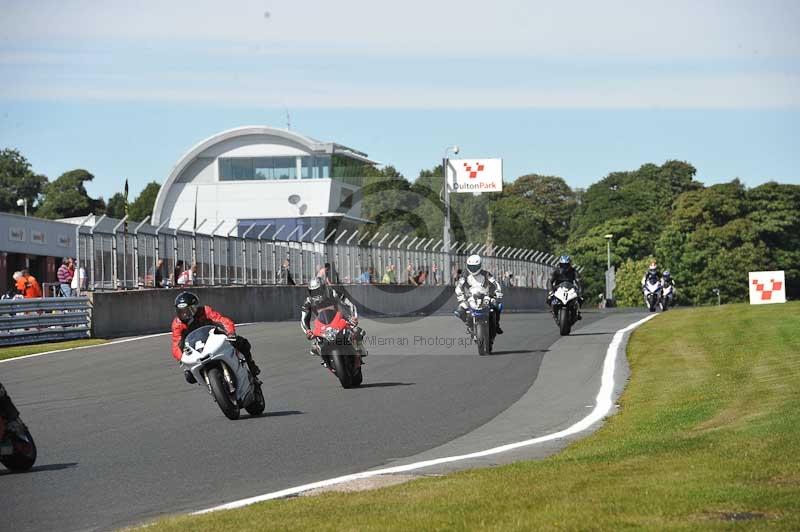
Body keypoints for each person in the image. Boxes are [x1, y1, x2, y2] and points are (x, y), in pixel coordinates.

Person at [170, 291, 261, 383]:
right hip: (195, 349)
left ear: (195, 308)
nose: (184, 315)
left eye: (187, 311)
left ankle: (251, 366)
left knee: (242, 343)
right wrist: (182, 358)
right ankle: (213, 388)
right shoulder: (177, 324)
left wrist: (230, 333)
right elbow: (176, 345)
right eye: (181, 312)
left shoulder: (205, 311)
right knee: (189, 377)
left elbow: (222, 320)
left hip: (214, 339)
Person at [300, 277, 368, 361]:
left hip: (339, 318)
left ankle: (359, 348)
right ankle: (325, 360)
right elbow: (303, 319)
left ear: (323, 288)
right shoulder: (308, 301)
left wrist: (353, 317)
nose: (316, 294)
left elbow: (350, 304)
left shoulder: (333, 292)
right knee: (314, 346)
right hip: (321, 324)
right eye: (313, 292)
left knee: (357, 331)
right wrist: (307, 331)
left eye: (318, 291)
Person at [454, 254, 504, 335]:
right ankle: (468, 324)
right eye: (471, 266)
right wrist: (460, 295)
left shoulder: (486, 274)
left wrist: (498, 291)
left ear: (480, 265)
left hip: (486, 296)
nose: (473, 269)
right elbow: (459, 286)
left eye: (475, 267)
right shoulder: (465, 275)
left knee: (498, 306)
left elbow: (495, 284)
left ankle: (496, 325)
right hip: (470, 297)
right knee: (459, 311)